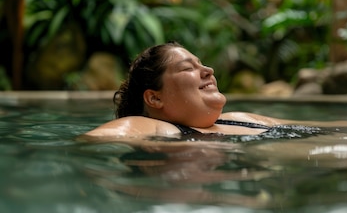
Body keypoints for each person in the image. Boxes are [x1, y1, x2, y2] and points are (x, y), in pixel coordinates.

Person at [82, 41, 323, 141]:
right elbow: (95, 139)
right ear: (155, 97)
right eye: (188, 68)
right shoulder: (156, 126)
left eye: (202, 64)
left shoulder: (242, 119)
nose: (208, 70)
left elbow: (325, 130)